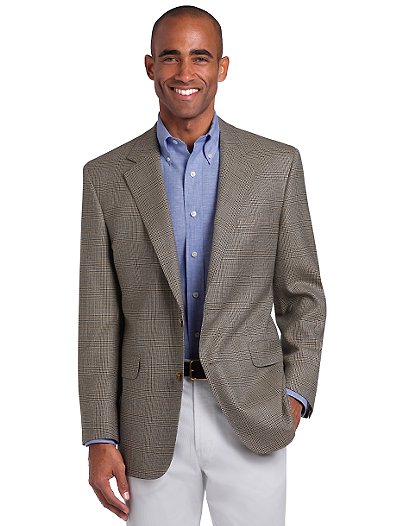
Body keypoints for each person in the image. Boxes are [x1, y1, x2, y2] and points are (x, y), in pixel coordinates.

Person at [78, 5, 326, 525]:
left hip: (252, 410)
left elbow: (303, 296)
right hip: (148, 418)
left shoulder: (275, 166)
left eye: (200, 57)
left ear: (222, 67)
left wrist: (294, 395)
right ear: (150, 66)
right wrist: (100, 435)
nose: (184, 72)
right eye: (170, 57)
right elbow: (99, 318)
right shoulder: (106, 177)